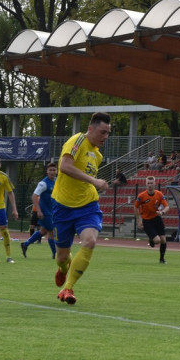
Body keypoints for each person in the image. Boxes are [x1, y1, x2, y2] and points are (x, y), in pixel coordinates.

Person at [51, 112, 112, 304]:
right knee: (61, 257)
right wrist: (95, 180)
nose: (105, 137)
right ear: (91, 129)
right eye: (102, 132)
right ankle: (62, 268)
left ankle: (68, 288)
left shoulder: (97, 154)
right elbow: (65, 166)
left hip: (87, 206)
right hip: (62, 206)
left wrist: (94, 184)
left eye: (108, 133)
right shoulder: (77, 140)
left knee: (90, 241)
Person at [21, 162, 58, 259]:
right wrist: (39, 210)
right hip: (45, 212)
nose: (52, 172)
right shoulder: (43, 183)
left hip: (52, 211)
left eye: (54, 170)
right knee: (51, 232)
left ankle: (25, 244)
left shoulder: (56, 181)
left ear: (56, 171)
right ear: (47, 171)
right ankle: (55, 254)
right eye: (50, 170)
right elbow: (34, 196)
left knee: (43, 231)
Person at [135, 175, 170, 263]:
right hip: (147, 221)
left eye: (151, 183)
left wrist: (162, 212)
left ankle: (162, 259)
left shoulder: (159, 194)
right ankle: (151, 238)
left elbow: (167, 206)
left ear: (154, 184)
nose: (150, 185)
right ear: (146, 184)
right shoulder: (141, 196)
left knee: (163, 240)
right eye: (148, 183)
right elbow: (136, 207)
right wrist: (139, 221)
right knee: (157, 241)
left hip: (157, 219)